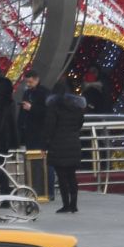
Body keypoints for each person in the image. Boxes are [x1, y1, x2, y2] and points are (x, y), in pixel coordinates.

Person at [43, 76, 88, 215]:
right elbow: (80, 123)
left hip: (58, 145)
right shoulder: (77, 108)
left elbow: (49, 128)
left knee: (62, 177)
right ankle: (74, 204)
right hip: (74, 143)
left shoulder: (53, 108)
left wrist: (44, 145)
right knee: (72, 176)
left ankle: (66, 205)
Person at [17, 72, 49, 150]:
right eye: (27, 82)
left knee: (36, 157)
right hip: (27, 131)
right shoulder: (27, 92)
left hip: (39, 131)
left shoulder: (44, 92)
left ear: (37, 80)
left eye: (30, 82)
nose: (28, 84)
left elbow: (47, 111)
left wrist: (32, 108)